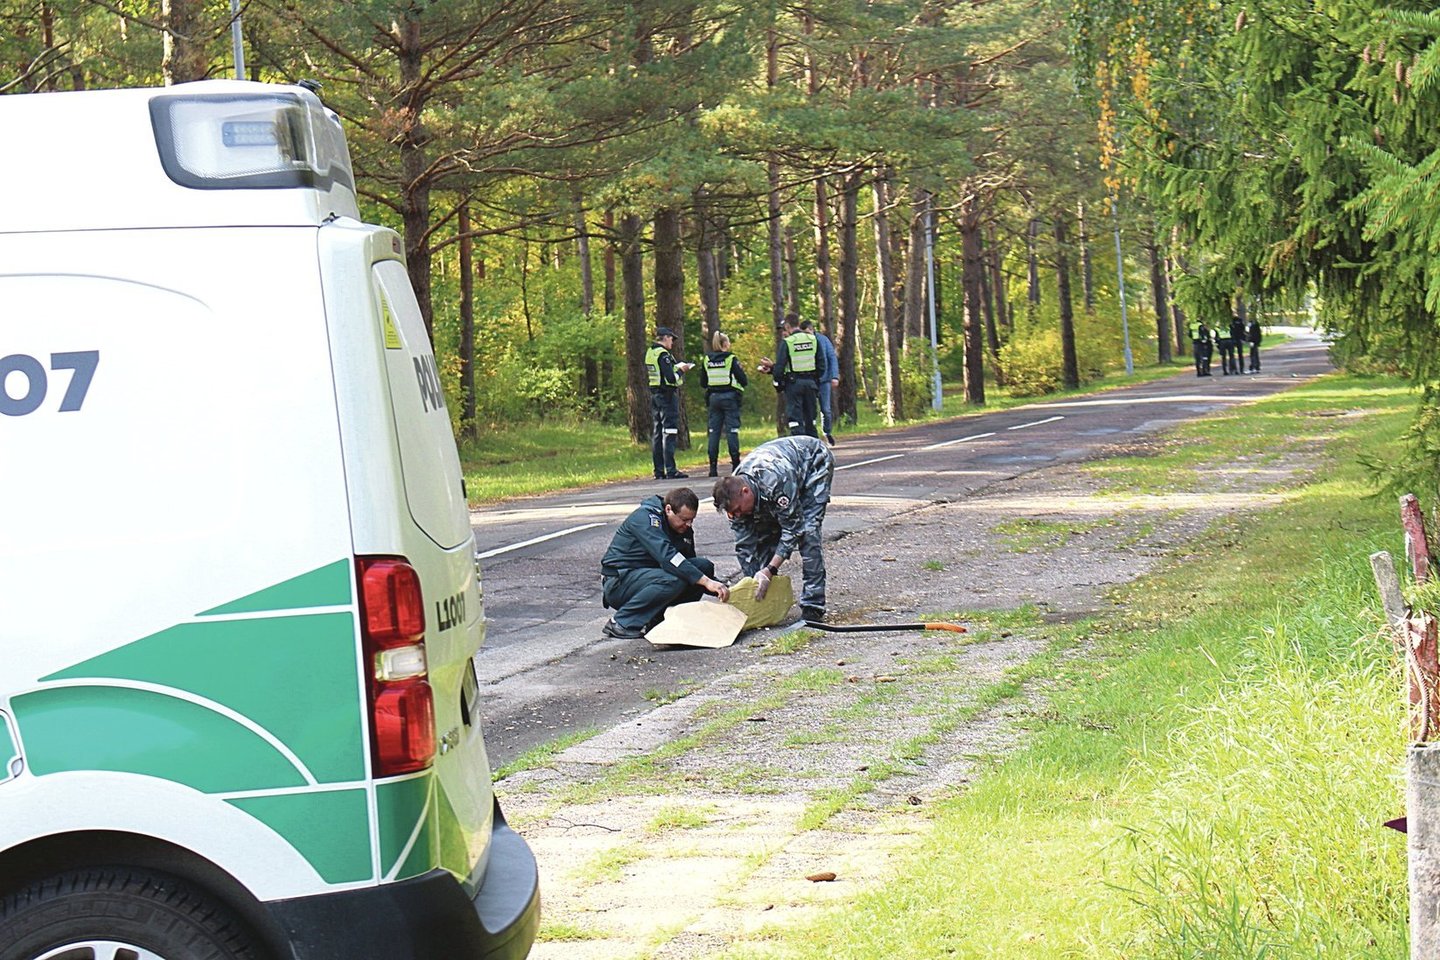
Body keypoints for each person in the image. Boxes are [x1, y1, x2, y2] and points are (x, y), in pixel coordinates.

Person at [711, 435, 834, 623]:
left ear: (746, 492)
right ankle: (765, 598)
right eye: (731, 513)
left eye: (737, 510)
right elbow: (745, 545)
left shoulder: (776, 481)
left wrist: (769, 569)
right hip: (779, 478)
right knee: (764, 532)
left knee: (808, 532)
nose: (736, 515)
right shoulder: (733, 498)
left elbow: (793, 529)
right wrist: (751, 586)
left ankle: (813, 605)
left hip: (813, 464)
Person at [599, 487, 730, 639]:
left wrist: (721, 589)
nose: (688, 524)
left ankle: (660, 620)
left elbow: (688, 567)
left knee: (703, 567)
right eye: (684, 519)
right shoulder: (646, 518)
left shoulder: (683, 528)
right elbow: (667, 557)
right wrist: (707, 582)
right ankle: (621, 623)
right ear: (669, 509)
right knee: (674, 579)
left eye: (691, 520)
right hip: (620, 581)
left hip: (649, 577)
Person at [645, 326, 693, 480]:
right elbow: (671, 378)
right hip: (666, 396)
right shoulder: (663, 355)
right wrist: (682, 370)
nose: (672, 342)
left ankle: (659, 471)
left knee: (657, 433)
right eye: (671, 339)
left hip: (654, 395)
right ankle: (671, 470)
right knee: (669, 432)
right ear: (665, 338)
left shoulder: (650, 352)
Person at [699, 330, 748, 478]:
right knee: (732, 431)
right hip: (730, 398)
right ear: (725, 344)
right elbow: (743, 380)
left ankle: (712, 468)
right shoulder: (730, 359)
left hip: (713, 398)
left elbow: (703, 382)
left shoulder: (707, 359)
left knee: (714, 432)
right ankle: (735, 464)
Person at [767, 313, 820, 438]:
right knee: (810, 421)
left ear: (787, 326)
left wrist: (778, 384)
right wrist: (817, 382)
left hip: (794, 385)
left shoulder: (788, 342)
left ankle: (800, 451)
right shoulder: (813, 340)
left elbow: (780, 368)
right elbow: (821, 363)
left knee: (795, 422)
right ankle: (814, 451)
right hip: (811, 383)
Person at [800, 318, 840, 446]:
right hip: (810, 381)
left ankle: (827, 432)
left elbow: (832, 357)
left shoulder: (823, 340)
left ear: (812, 330)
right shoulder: (801, 342)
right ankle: (812, 436)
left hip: (824, 380)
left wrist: (834, 376)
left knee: (826, 410)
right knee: (810, 410)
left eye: (807, 333)